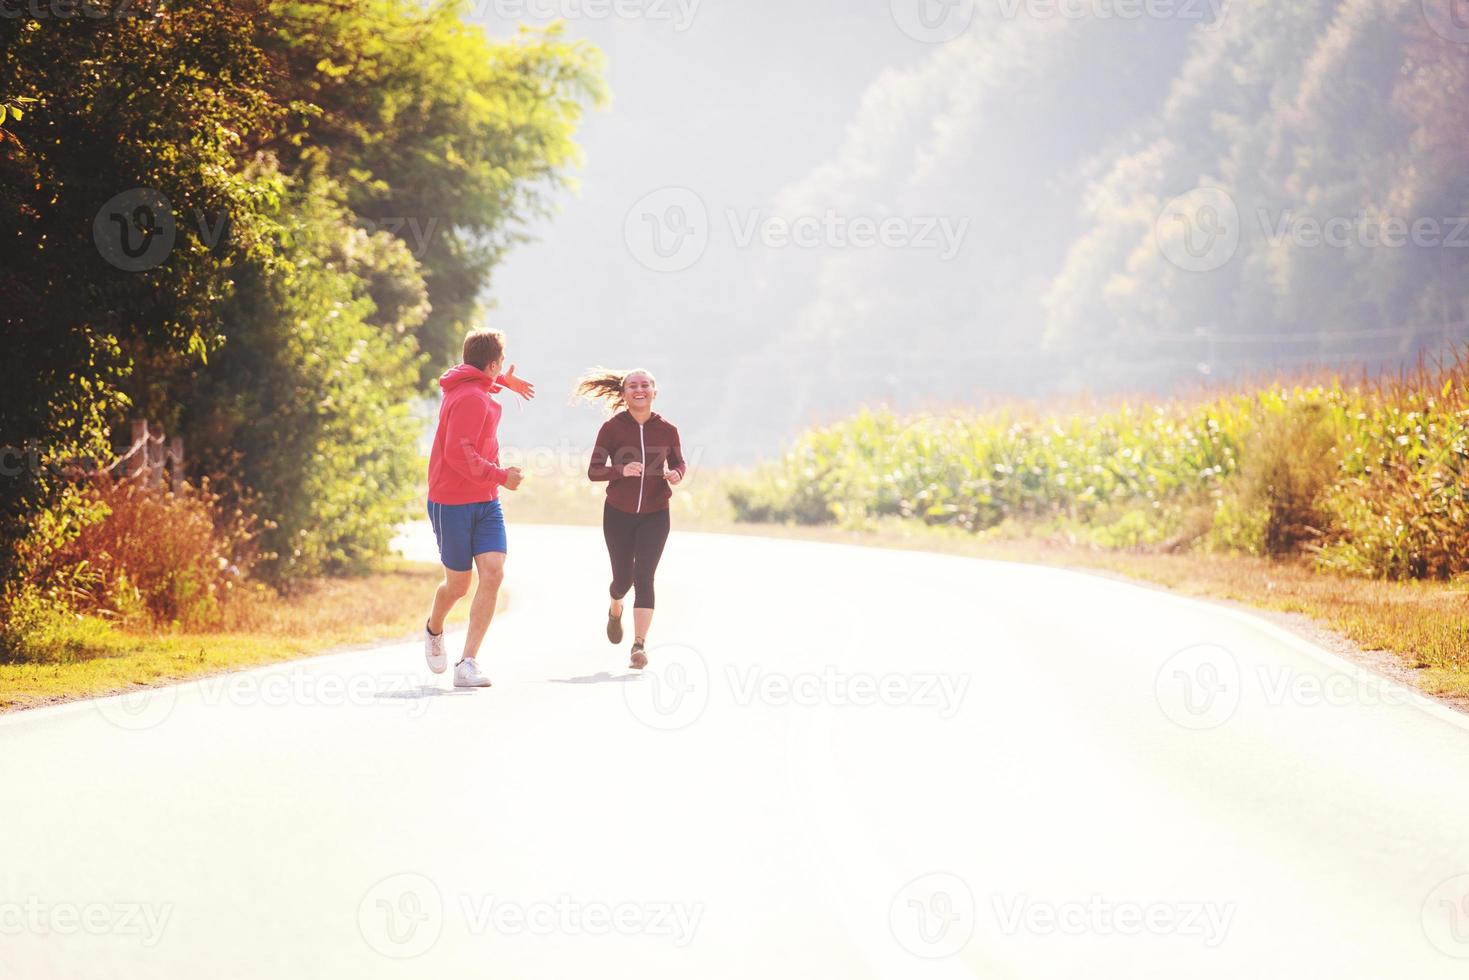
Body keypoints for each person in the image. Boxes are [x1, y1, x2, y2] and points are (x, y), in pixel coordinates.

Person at [423, 329, 534, 688]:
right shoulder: (471, 397)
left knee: (494, 572)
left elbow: (475, 376)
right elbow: (459, 454)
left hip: (486, 502)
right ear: (490, 363)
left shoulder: (472, 384)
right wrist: (502, 476)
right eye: (499, 363)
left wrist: (501, 379)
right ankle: (434, 627)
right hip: (452, 502)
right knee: (457, 586)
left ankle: (467, 662)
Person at [577, 367, 686, 670]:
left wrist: (676, 474)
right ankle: (615, 607)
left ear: (654, 391)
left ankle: (639, 645)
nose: (640, 390)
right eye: (633, 386)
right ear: (623, 394)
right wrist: (620, 471)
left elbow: (679, 462)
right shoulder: (612, 429)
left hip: (656, 513)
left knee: (645, 577)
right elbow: (593, 470)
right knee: (623, 580)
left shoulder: (667, 430)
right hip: (618, 515)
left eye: (645, 385)